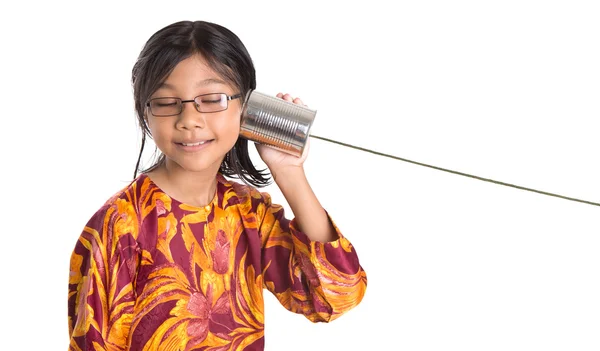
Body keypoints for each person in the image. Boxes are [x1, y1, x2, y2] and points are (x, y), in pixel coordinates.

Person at [67, 20, 367, 351]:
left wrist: (289, 172)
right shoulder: (122, 224)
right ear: (145, 113)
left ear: (247, 107)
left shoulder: (248, 214)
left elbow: (334, 296)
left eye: (211, 99)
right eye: (167, 102)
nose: (189, 119)